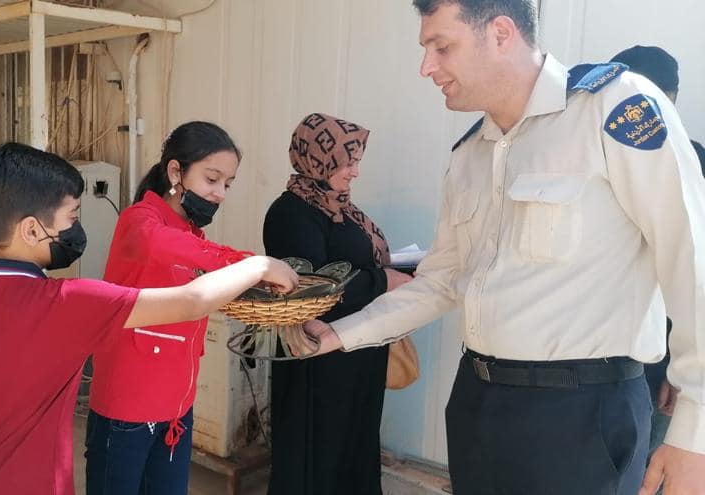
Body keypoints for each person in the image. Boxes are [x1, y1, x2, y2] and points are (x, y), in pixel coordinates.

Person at [302, 1, 705, 494]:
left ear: (500, 33)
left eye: (441, 47)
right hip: (477, 402)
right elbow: (442, 280)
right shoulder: (470, 155)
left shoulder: (613, 107)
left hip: (580, 416)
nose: (426, 67)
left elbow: (692, 257)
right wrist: (339, 334)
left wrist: (695, 432)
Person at [0, 142, 299, 495]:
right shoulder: (68, 302)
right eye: (72, 216)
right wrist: (260, 265)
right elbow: (192, 301)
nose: (76, 229)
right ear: (31, 229)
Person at [83, 121, 254, 494]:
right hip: (127, 406)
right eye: (212, 179)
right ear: (176, 171)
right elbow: (164, 245)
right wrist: (253, 264)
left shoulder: (192, 234)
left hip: (176, 405)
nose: (220, 193)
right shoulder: (140, 221)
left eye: (227, 184)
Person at [263, 113, 412, 495]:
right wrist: (383, 280)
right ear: (319, 158)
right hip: (319, 357)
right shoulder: (291, 212)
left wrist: (397, 272)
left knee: (354, 446)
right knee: (320, 451)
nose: (355, 172)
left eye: (357, 161)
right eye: (349, 162)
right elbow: (310, 285)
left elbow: (354, 264)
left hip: (359, 350)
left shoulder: (342, 211)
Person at [610, 44, 705, 464]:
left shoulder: (695, 163)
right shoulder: (598, 156)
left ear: (671, 97)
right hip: (598, 353)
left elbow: (693, 274)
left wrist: (680, 370)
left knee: (647, 468)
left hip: (657, 355)